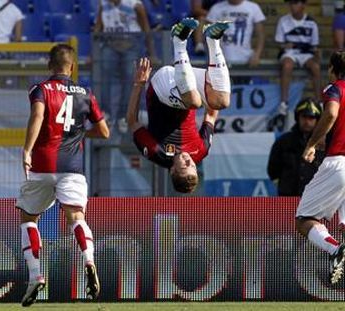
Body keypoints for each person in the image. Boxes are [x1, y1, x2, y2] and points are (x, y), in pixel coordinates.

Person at [16, 44, 109, 306]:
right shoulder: (86, 93)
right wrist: (80, 133)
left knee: (29, 219)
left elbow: (37, 115)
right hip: (72, 167)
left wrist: (27, 149)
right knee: (76, 217)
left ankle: (35, 276)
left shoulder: (41, 89)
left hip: (43, 164)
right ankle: (89, 260)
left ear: (49, 65)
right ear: (72, 66)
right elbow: (104, 132)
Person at [126, 18, 231, 193]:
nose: (189, 161)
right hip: (186, 84)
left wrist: (139, 85)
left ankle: (179, 41)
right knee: (222, 102)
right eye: (192, 166)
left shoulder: (155, 152)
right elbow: (211, 115)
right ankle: (213, 41)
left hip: (162, 87)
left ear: (173, 170)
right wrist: (212, 91)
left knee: (195, 102)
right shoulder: (201, 151)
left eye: (184, 166)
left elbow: (131, 121)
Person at [295, 50, 345, 285]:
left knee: (304, 219)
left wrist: (312, 144)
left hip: (339, 163)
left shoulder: (334, 88)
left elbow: (332, 113)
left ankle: (334, 249)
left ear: (333, 70)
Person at [93, 0, 156, 134]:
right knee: (104, 77)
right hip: (110, 44)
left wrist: (152, 53)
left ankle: (124, 116)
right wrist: (91, 53)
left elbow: (146, 28)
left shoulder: (135, 4)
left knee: (130, 79)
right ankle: (106, 114)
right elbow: (98, 28)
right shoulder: (103, 4)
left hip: (131, 45)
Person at [271, 0, 320, 131]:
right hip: (289, 53)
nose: (292, 6)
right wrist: (285, 46)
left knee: (315, 68)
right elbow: (279, 43)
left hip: (305, 54)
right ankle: (284, 104)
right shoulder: (283, 20)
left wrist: (316, 57)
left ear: (303, 5)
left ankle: (319, 102)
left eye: (296, 3)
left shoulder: (311, 22)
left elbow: (314, 46)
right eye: (291, 3)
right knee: (287, 65)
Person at [267, 98, 324, 196]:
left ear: (317, 120)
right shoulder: (283, 141)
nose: (307, 121)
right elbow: (273, 169)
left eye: (311, 118)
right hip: (288, 198)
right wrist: (283, 185)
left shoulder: (324, 144)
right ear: (298, 117)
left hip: (315, 199)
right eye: (304, 117)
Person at [205, 0, 265, 67]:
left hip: (246, 60)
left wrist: (257, 54)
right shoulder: (216, 8)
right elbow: (208, 35)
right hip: (221, 60)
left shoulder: (253, 7)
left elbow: (260, 35)